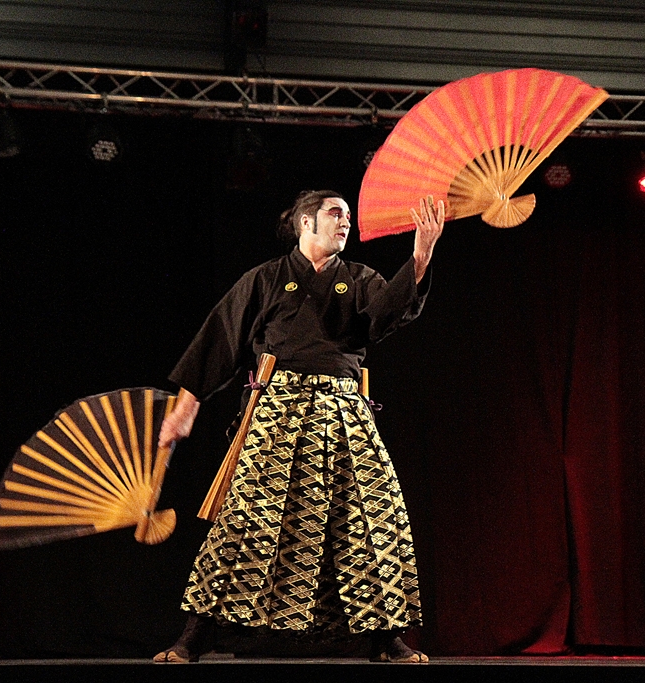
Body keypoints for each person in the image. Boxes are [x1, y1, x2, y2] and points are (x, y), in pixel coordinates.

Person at [153, 190, 444, 663]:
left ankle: (384, 638)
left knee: (370, 522)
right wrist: (186, 407)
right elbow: (220, 339)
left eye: (348, 216)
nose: (345, 222)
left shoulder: (361, 278)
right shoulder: (266, 278)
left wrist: (420, 255)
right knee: (246, 520)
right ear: (306, 222)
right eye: (335, 214)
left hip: (345, 409)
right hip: (279, 409)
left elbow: (385, 316)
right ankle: (192, 638)